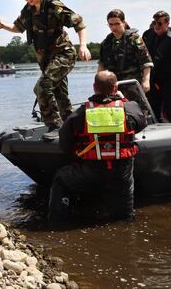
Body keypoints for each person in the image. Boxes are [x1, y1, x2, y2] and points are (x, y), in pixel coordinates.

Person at [0, 0, 91, 136]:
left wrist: (83, 46)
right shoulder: (28, 10)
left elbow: (79, 23)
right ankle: (72, 127)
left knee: (42, 87)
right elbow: (17, 28)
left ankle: (55, 126)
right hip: (46, 59)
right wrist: (2, 26)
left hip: (63, 54)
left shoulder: (53, 5)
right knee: (59, 94)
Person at [48, 71, 148, 223]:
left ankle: (57, 222)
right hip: (121, 172)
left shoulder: (81, 112)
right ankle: (125, 225)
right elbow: (141, 124)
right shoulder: (130, 107)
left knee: (61, 179)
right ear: (116, 88)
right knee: (124, 215)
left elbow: (65, 142)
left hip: (90, 170)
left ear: (94, 87)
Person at [97, 9, 152, 102]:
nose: (114, 27)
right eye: (111, 24)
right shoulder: (106, 43)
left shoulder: (134, 38)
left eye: (117, 24)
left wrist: (146, 80)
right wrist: (98, 82)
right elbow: (102, 64)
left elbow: (146, 61)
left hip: (133, 83)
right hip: (113, 85)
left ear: (124, 23)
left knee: (137, 108)